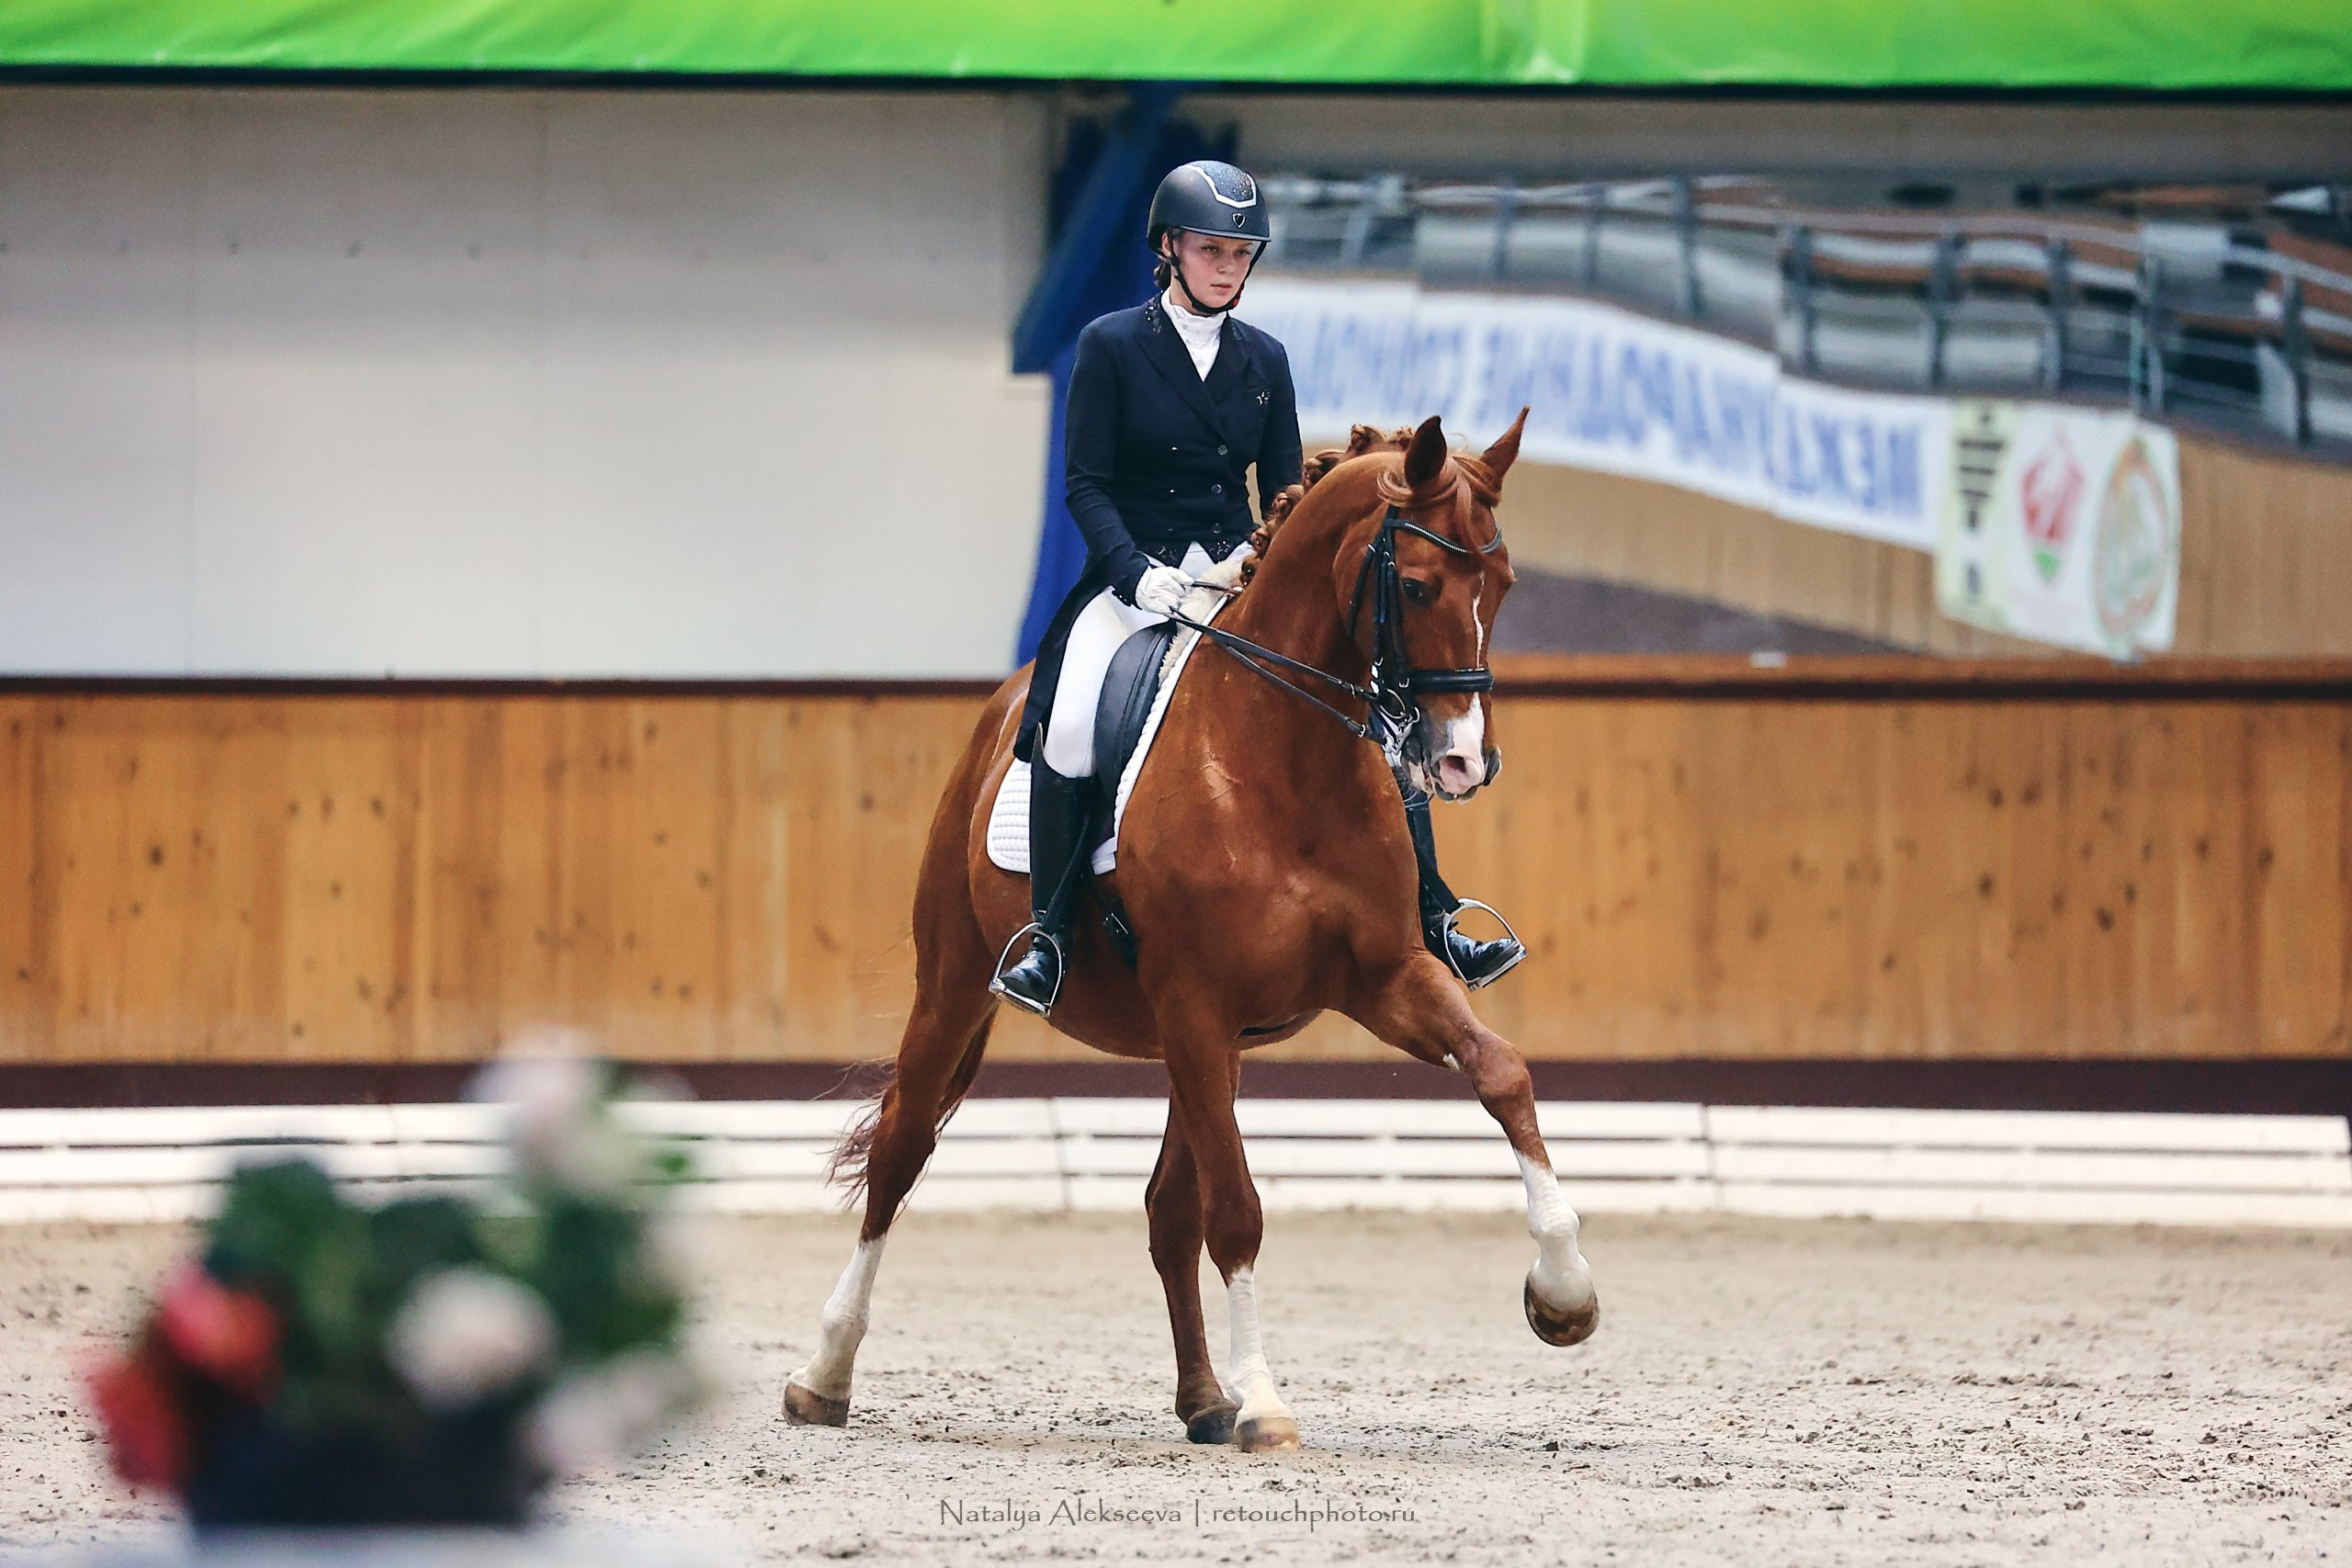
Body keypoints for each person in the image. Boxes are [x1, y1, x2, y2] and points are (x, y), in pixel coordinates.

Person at [995, 159, 1523, 1015]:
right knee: (1074, 721)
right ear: (1170, 249)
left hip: (1229, 576)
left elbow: (1283, 493)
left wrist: (1252, 558)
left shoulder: (1264, 359)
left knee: (1373, 716)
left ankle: (1437, 914)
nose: (1227, 267)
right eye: (1211, 250)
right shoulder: (1110, 346)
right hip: (1134, 580)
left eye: (1240, 253)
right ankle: (1050, 937)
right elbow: (1085, 487)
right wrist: (1137, 574)